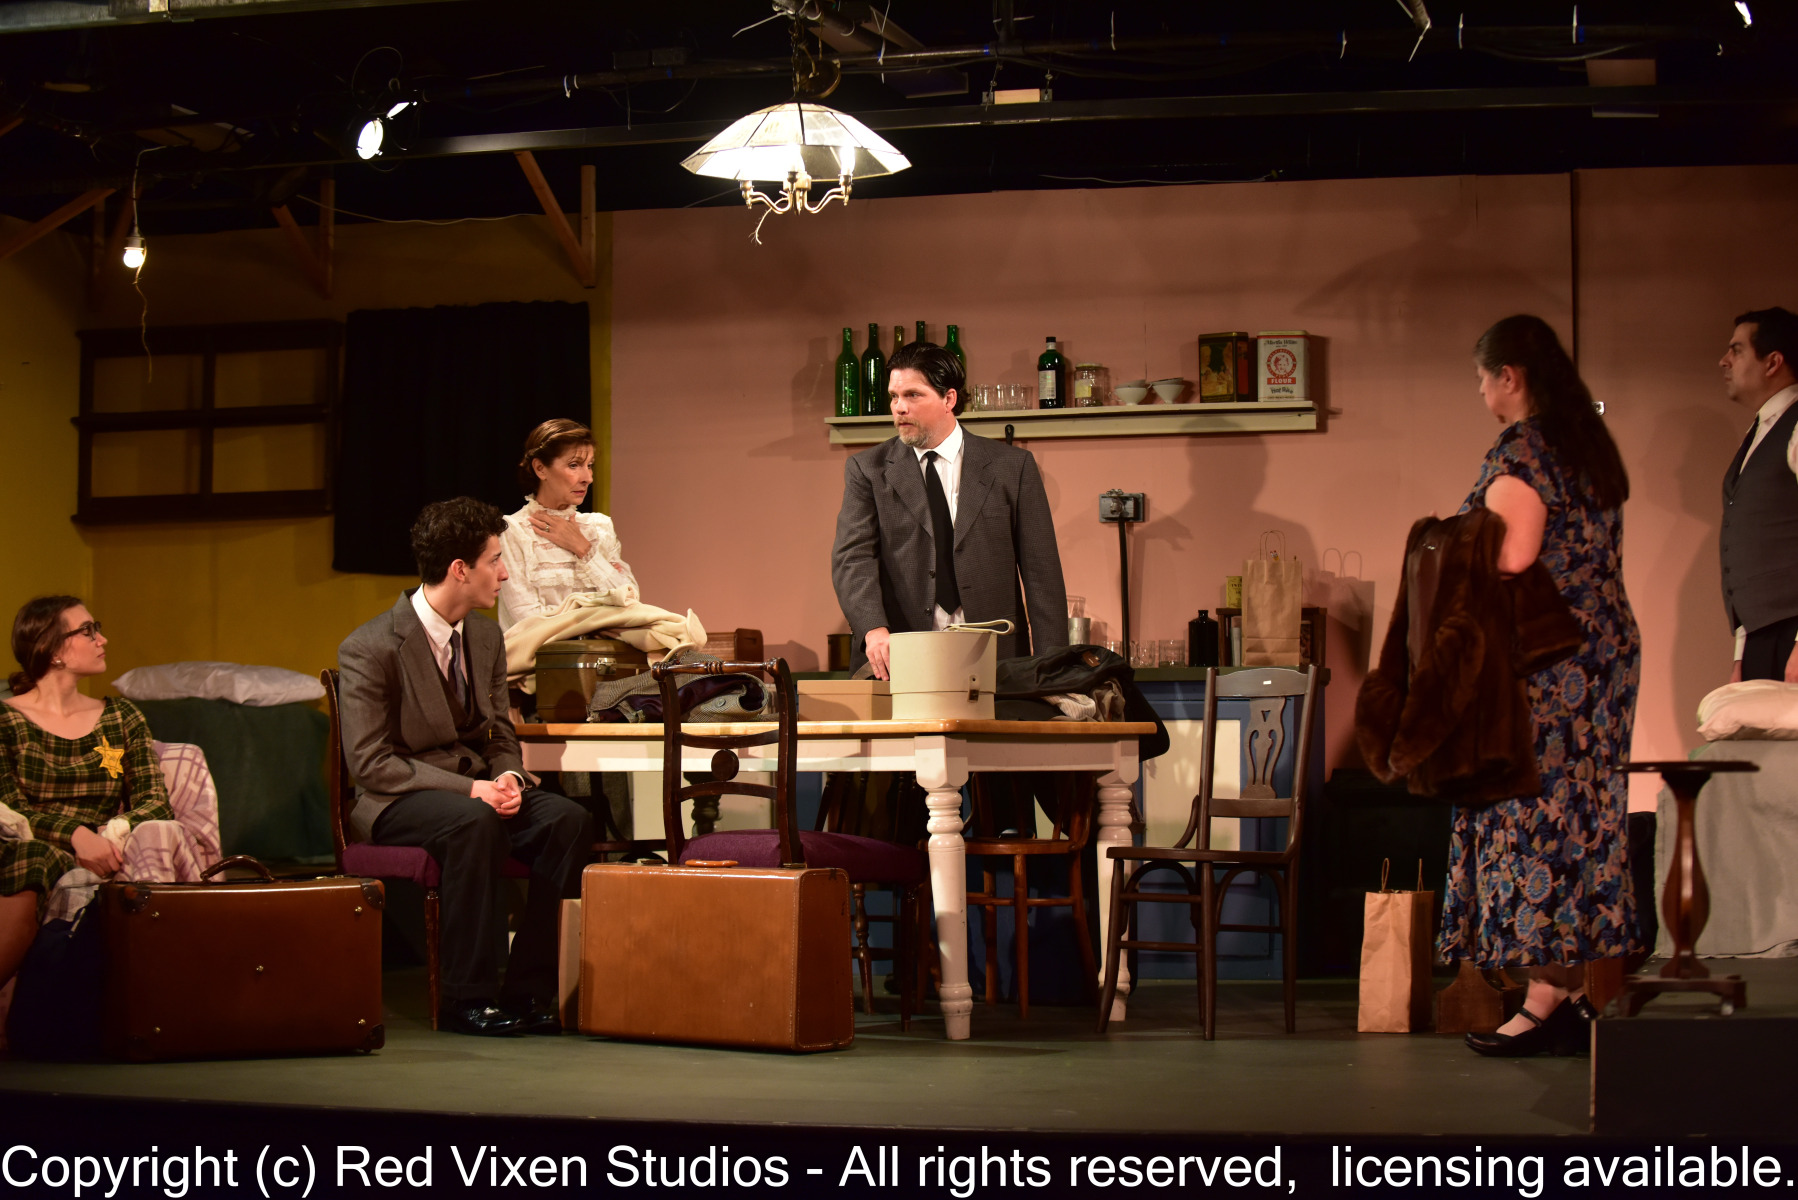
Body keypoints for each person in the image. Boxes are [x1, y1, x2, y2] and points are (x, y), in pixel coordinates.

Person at [1438, 315, 1641, 1058]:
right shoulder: (1587, 445)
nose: (1480, 391)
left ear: (1510, 376)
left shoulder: (1523, 448)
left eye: (1481, 376)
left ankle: (1546, 998)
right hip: (1604, 651)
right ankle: (1572, 992)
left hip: (1547, 662)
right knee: (1582, 812)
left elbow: (1512, 555)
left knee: (1531, 813)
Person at [337, 498, 594, 1036]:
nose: (504, 574)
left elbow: (498, 730)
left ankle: (529, 991)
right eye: (495, 560)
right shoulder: (370, 647)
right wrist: (472, 790)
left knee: (567, 821)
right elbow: (371, 764)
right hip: (399, 797)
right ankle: (466, 998)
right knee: (474, 822)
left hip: (476, 787)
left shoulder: (484, 636)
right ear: (460, 569)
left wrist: (508, 776)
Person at [830, 341, 1068, 680]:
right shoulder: (867, 470)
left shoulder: (1012, 467)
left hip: (995, 658)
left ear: (949, 399)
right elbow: (852, 558)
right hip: (901, 658)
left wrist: (1054, 671)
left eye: (913, 395)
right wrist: (873, 628)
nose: (899, 407)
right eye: (894, 396)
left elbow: (1042, 574)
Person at [0, 597, 181, 987]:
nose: (103, 639)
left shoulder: (121, 717)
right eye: (87, 631)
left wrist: (114, 830)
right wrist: (74, 835)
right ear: (52, 649)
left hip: (102, 852)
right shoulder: (5, 720)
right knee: (32, 856)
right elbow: (9, 808)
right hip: (24, 847)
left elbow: (155, 801)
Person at [1718, 306, 1798, 684]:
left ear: (1773, 362)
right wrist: (1743, 653)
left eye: (1736, 350)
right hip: (1763, 636)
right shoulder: (1760, 431)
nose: (1724, 361)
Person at [498, 418, 639, 630]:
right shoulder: (513, 531)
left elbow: (630, 600)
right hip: (541, 651)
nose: (588, 478)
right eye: (574, 465)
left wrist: (583, 548)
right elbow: (527, 620)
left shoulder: (598, 528)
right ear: (540, 468)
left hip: (601, 651)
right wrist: (600, 616)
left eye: (589, 465)